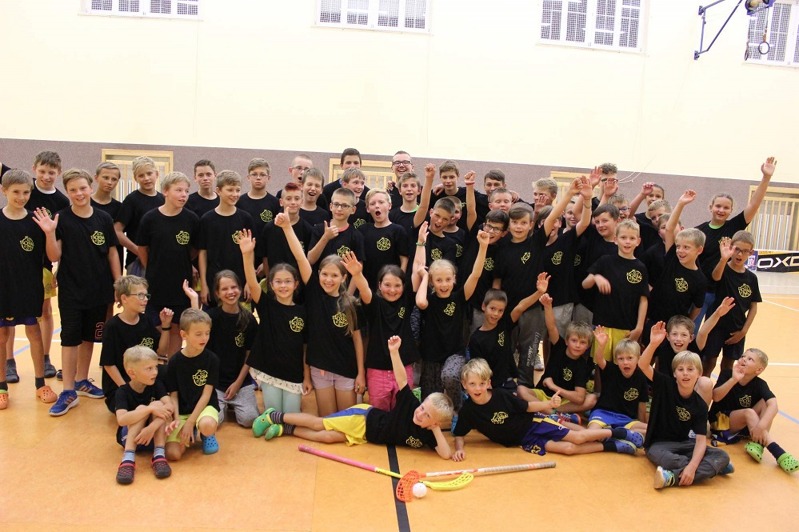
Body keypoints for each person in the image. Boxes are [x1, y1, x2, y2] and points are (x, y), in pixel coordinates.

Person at [253, 336, 455, 460]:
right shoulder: (410, 405)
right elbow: (402, 379)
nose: (420, 413)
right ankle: (273, 416)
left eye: (427, 416)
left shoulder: (429, 434)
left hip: (365, 436)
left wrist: (436, 429)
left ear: (434, 423)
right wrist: (394, 353)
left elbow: (446, 454)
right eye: (423, 408)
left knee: (327, 438)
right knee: (318, 424)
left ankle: (285, 429)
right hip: (363, 419)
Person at [34, 168, 122, 416]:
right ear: (67, 192)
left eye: (83, 188)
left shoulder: (104, 218)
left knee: (89, 337)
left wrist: (118, 282)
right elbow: (54, 256)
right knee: (70, 337)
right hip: (72, 289)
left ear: (90, 188)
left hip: (100, 289)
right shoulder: (61, 219)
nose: (79, 193)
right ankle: (68, 390)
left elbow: (112, 252)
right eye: (73, 190)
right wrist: (49, 233)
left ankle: (82, 380)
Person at [452, 358, 644, 460]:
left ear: (488, 383)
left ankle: (620, 433)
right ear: (464, 385)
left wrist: (549, 406)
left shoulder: (501, 395)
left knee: (578, 437)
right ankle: (613, 446)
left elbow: (528, 406)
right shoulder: (468, 411)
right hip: (523, 440)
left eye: (482, 383)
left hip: (533, 424)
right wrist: (459, 449)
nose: (477, 388)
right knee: (569, 449)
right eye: (472, 384)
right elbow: (459, 433)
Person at [285, 214, 366, 416]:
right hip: (320, 370)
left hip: (346, 369)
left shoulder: (351, 303)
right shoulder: (313, 293)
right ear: (318, 274)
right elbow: (300, 257)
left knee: (345, 421)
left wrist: (361, 373)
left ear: (344, 278)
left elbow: (358, 341)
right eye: (324, 274)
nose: (328, 279)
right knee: (327, 420)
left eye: (334, 275)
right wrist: (287, 227)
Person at [639, 322, 731, 489]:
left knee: (722, 456)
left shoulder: (700, 405)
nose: (685, 373)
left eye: (690, 369)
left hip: (685, 444)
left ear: (699, 373)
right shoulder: (665, 385)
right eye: (680, 369)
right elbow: (643, 365)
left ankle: (671, 477)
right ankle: (710, 468)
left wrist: (693, 467)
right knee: (670, 460)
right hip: (658, 445)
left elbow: (701, 441)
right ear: (674, 373)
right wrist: (653, 344)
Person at [694, 157, 775, 328]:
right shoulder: (699, 231)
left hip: (723, 293)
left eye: (726, 207)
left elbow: (754, 204)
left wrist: (766, 177)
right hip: (702, 292)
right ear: (711, 207)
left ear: (731, 210)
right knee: (691, 331)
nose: (721, 210)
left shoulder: (734, 226)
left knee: (711, 336)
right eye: (718, 206)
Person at [415, 224, 489, 412]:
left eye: (448, 279)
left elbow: (476, 274)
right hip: (431, 356)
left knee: (450, 376)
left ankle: (459, 410)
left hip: (454, 353)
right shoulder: (429, 299)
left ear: (454, 279)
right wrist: (425, 277)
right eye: (438, 280)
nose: (444, 284)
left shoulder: (459, 297)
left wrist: (483, 247)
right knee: (430, 401)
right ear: (432, 282)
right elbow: (421, 302)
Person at [0, 168, 56, 408]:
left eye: (26, 192)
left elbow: (52, 256)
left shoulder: (36, 221)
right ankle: (1, 387)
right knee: (2, 336)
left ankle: (40, 383)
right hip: (3, 288)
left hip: (30, 287)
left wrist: (49, 233)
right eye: (16, 192)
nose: (21, 197)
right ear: (4, 191)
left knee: (34, 333)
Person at [239, 228, 309, 415]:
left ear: (296, 284)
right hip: (269, 371)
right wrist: (247, 255)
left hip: (294, 374)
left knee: (291, 417)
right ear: (271, 284)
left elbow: (305, 347)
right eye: (278, 281)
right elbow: (252, 283)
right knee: (273, 415)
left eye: (288, 281)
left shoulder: (303, 311)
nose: (283, 285)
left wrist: (307, 376)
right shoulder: (266, 305)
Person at [184, 273, 259, 427]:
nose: (230, 292)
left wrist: (238, 383)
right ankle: (224, 405)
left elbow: (250, 356)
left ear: (240, 289)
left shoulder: (249, 319)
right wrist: (194, 301)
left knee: (249, 419)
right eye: (224, 289)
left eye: (233, 287)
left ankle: (232, 403)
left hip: (240, 382)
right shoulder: (211, 317)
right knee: (213, 420)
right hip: (215, 383)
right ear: (217, 293)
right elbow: (195, 328)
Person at [19, 151, 68, 382]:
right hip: (17, 260)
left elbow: (62, 238)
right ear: (33, 169)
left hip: (43, 262)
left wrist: (59, 266)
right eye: (42, 171)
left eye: (51, 172)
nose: (46, 176)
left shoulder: (62, 202)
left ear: (58, 173)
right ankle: (9, 362)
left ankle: (46, 357)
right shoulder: (25, 189)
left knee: (45, 310)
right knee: (10, 313)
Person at [137, 171, 199, 353]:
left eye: (186, 191)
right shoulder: (150, 218)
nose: (183, 195)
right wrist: (152, 267)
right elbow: (142, 248)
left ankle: (172, 365)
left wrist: (184, 261)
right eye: (178, 190)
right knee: (156, 326)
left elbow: (195, 249)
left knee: (177, 327)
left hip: (181, 283)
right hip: (156, 283)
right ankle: (156, 362)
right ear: (165, 191)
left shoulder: (191, 219)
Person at [710, 348, 797, 473]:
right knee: (749, 412)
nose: (744, 359)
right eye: (743, 356)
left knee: (765, 402)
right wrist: (734, 379)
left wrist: (761, 426)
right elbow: (716, 397)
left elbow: (774, 405)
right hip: (720, 422)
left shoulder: (760, 384)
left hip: (745, 424)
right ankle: (778, 452)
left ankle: (758, 443)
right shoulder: (727, 374)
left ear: (759, 370)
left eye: (750, 359)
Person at [101, 276, 172, 413]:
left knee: (172, 371)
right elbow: (109, 365)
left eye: (146, 295)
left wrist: (166, 326)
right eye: (140, 295)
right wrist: (127, 390)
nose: (145, 299)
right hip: (122, 385)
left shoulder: (146, 320)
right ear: (124, 298)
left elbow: (161, 352)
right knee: (139, 413)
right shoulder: (112, 326)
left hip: (144, 381)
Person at [492, 202, 545, 387]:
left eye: (523, 223)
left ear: (531, 224)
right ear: (509, 225)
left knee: (530, 350)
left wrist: (570, 193)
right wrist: (497, 304)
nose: (519, 227)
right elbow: (497, 280)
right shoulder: (502, 247)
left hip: (533, 308)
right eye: (514, 222)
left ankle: (526, 386)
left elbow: (552, 217)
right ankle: (505, 385)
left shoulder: (536, 242)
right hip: (508, 308)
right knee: (505, 346)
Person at [520, 293, 595, 421]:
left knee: (591, 399)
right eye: (574, 340)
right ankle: (552, 412)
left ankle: (551, 412)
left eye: (582, 343)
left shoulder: (582, 365)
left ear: (587, 346)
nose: (577, 345)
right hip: (543, 395)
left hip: (562, 401)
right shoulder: (559, 346)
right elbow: (551, 326)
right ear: (566, 341)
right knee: (521, 390)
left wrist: (553, 386)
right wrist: (548, 306)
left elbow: (579, 398)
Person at [467, 276, 548, 392]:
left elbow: (520, 307)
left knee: (523, 392)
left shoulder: (504, 325)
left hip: (508, 382)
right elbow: (478, 370)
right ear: (484, 306)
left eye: (500, 310)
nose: (496, 314)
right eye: (492, 308)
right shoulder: (476, 339)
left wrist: (539, 292)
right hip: (490, 388)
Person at [357, 265, 422, 411]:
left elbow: (417, 268)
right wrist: (357, 274)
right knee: (379, 412)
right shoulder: (375, 303)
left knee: (402, 410)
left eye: (397, 285)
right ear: (379, 285)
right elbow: (364, 289)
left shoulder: (406, 301)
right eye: (387, 285)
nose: (392, 290)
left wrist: (420, 247)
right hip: (377, 369)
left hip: (403, 367)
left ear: (403, 286)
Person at [583, 219, 649, 360]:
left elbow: (643, 300)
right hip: (603, 326)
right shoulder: (604, 261)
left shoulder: (640, 268)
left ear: (638, 241)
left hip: (627, 327)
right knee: (600, 364)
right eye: (623, 237)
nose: (627, 242)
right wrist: (596, 277)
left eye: (632, 238)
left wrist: (639, 327)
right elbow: (585, 284)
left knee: (622, 364)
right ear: (615, 239)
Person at [703, 231, 762, 376]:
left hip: (736, 328)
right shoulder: (723, 269)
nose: (740, 254)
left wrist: (743, 331)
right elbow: (716, 277)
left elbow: (753, 307)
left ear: (751, 252)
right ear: (731, 248)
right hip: (715, 326)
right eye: (737, 249)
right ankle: (702, 389)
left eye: (745, 251)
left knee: (728, 366)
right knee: (709, 362)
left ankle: (722, 390)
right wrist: (723, 259)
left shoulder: (751, 278)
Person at [114, 346, 175, 485]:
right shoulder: (122, 392)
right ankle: (128, 458)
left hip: (152, 437)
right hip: (130, 438)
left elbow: (170, 407)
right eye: (149, 369)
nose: (155, 372)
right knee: (145, 407)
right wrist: (149, 410)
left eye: (156, 367)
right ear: (132, 373)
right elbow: (122, 420)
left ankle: (159, 455)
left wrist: (151, 429)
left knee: (159, 404)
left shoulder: (157, 385)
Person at [165, 308, 221, 460]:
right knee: (173, 454)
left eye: (207, 333)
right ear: (184, 335)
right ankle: (192, 431)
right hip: (183, 411)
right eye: (198, 334)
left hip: (205, 408)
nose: (204, 338)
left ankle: (206, 433)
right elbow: (173, 395)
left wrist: (190, 422)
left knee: (207, 425)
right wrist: (177, 419)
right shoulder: (174, 362)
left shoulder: (212, 360)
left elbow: (206, 395)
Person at [197, 170, 253, 306]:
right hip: (214, 281)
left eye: (237, 190)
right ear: (218, 191)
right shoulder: (207, 219)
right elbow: (203, 253)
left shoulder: (245, 218)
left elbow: (250, 252)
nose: (235, 194)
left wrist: (249, 282)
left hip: (240, 280)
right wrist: (203, 284)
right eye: (230, 190)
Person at [587, 328, 648, 435]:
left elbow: (641, 405)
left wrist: (642, 424)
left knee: (650, 431)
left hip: (626, 419)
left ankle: (614, 433)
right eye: (621, 359)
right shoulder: (611, 369)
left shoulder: (641, 377)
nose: (625, 362)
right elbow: (599, 359)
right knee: (592, 433)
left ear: (638, 358)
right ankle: (616, 434)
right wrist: (601, 345)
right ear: (616, 360)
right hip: (603, 413)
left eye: (630, 358)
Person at [114, 156, 164, 276]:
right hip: (137, 262)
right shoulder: (131, 200)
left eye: (149, 173)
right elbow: (117, 231)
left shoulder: (163, 199)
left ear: (157, 174)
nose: (146, 178)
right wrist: (138, 250)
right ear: (135, 178)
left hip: (160, 260)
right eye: (141, 175)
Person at [260, 182, 313, 279]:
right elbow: (265, 257)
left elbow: (307, 260)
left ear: (302, 201)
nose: (293, 202)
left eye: (297, 198)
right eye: (288, 199)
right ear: (281, 202)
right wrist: (269, 280)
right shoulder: (269, 228)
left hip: (298, 282)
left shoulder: (307, 229)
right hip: (275, 281)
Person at [358, 189, 409, 289]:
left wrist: (399, 281)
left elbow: (404, 260)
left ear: (389, 206)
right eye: (372, 203)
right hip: (367, 286)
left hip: (390, 286)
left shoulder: (398, 230)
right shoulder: (363, 230)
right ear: (368, 209)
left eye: (381, 202)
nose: (377, 206)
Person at [237, 158, 280, 269]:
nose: (258, 177)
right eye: (254, 174)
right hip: (243, 257)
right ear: (248, 177)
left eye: (262, 174)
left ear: (268, 178)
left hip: (268, 258)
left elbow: (276, 235)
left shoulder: (275, 203)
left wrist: (265, 263)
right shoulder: (239, 202)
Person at [306, 187, 365, 266]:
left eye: (345, 205)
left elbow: (359, 267)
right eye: (336, 204)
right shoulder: (319, 229)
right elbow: (310, 260)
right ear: (331, 206)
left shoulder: (356, 236)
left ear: (353, 210)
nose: (339, 209)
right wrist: (325, 237)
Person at [91, 162, 124, 275]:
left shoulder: (120, 208)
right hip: (89, 260)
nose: (110, 182)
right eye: (105, 178)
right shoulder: (85, 204)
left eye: (114, 179)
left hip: (112, 263)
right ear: (96, 178)